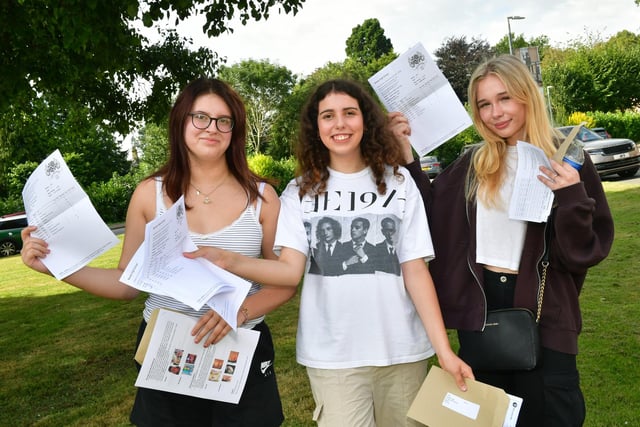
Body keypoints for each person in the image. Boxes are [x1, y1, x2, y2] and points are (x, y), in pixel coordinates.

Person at [186, 79, 473, 427]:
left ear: (365, 121)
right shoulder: (300, 191)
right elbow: (290, 271)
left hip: (403, 353)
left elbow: (415, 271)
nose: (339, 123)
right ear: (315, 126)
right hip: (333, 359)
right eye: (328, 115)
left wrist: (444, 351)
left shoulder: (399, 183)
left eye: (349, 113)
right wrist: (230, 260)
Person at [20, 77, 295, 426]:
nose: (212, 128)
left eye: (224, 120)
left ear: (235, 130)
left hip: (241, 348)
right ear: (180, 122)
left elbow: (285, 280)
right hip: (167, 351)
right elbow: (127, 283)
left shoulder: (262, 197)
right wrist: (55, 266)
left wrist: (238, 313)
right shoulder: (148, 193)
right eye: (200, 117)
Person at [391, 55, 614, 427]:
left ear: (527, 96)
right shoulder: (474, 162)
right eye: (484, 103)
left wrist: (572, 196)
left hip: (546, 311)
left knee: (552, 414)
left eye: (505, 98)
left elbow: (583, 252)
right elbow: (430, 214)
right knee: (488, 418)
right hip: (482, 314)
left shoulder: (565, 159)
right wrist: (406, 156)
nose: (496, 112)